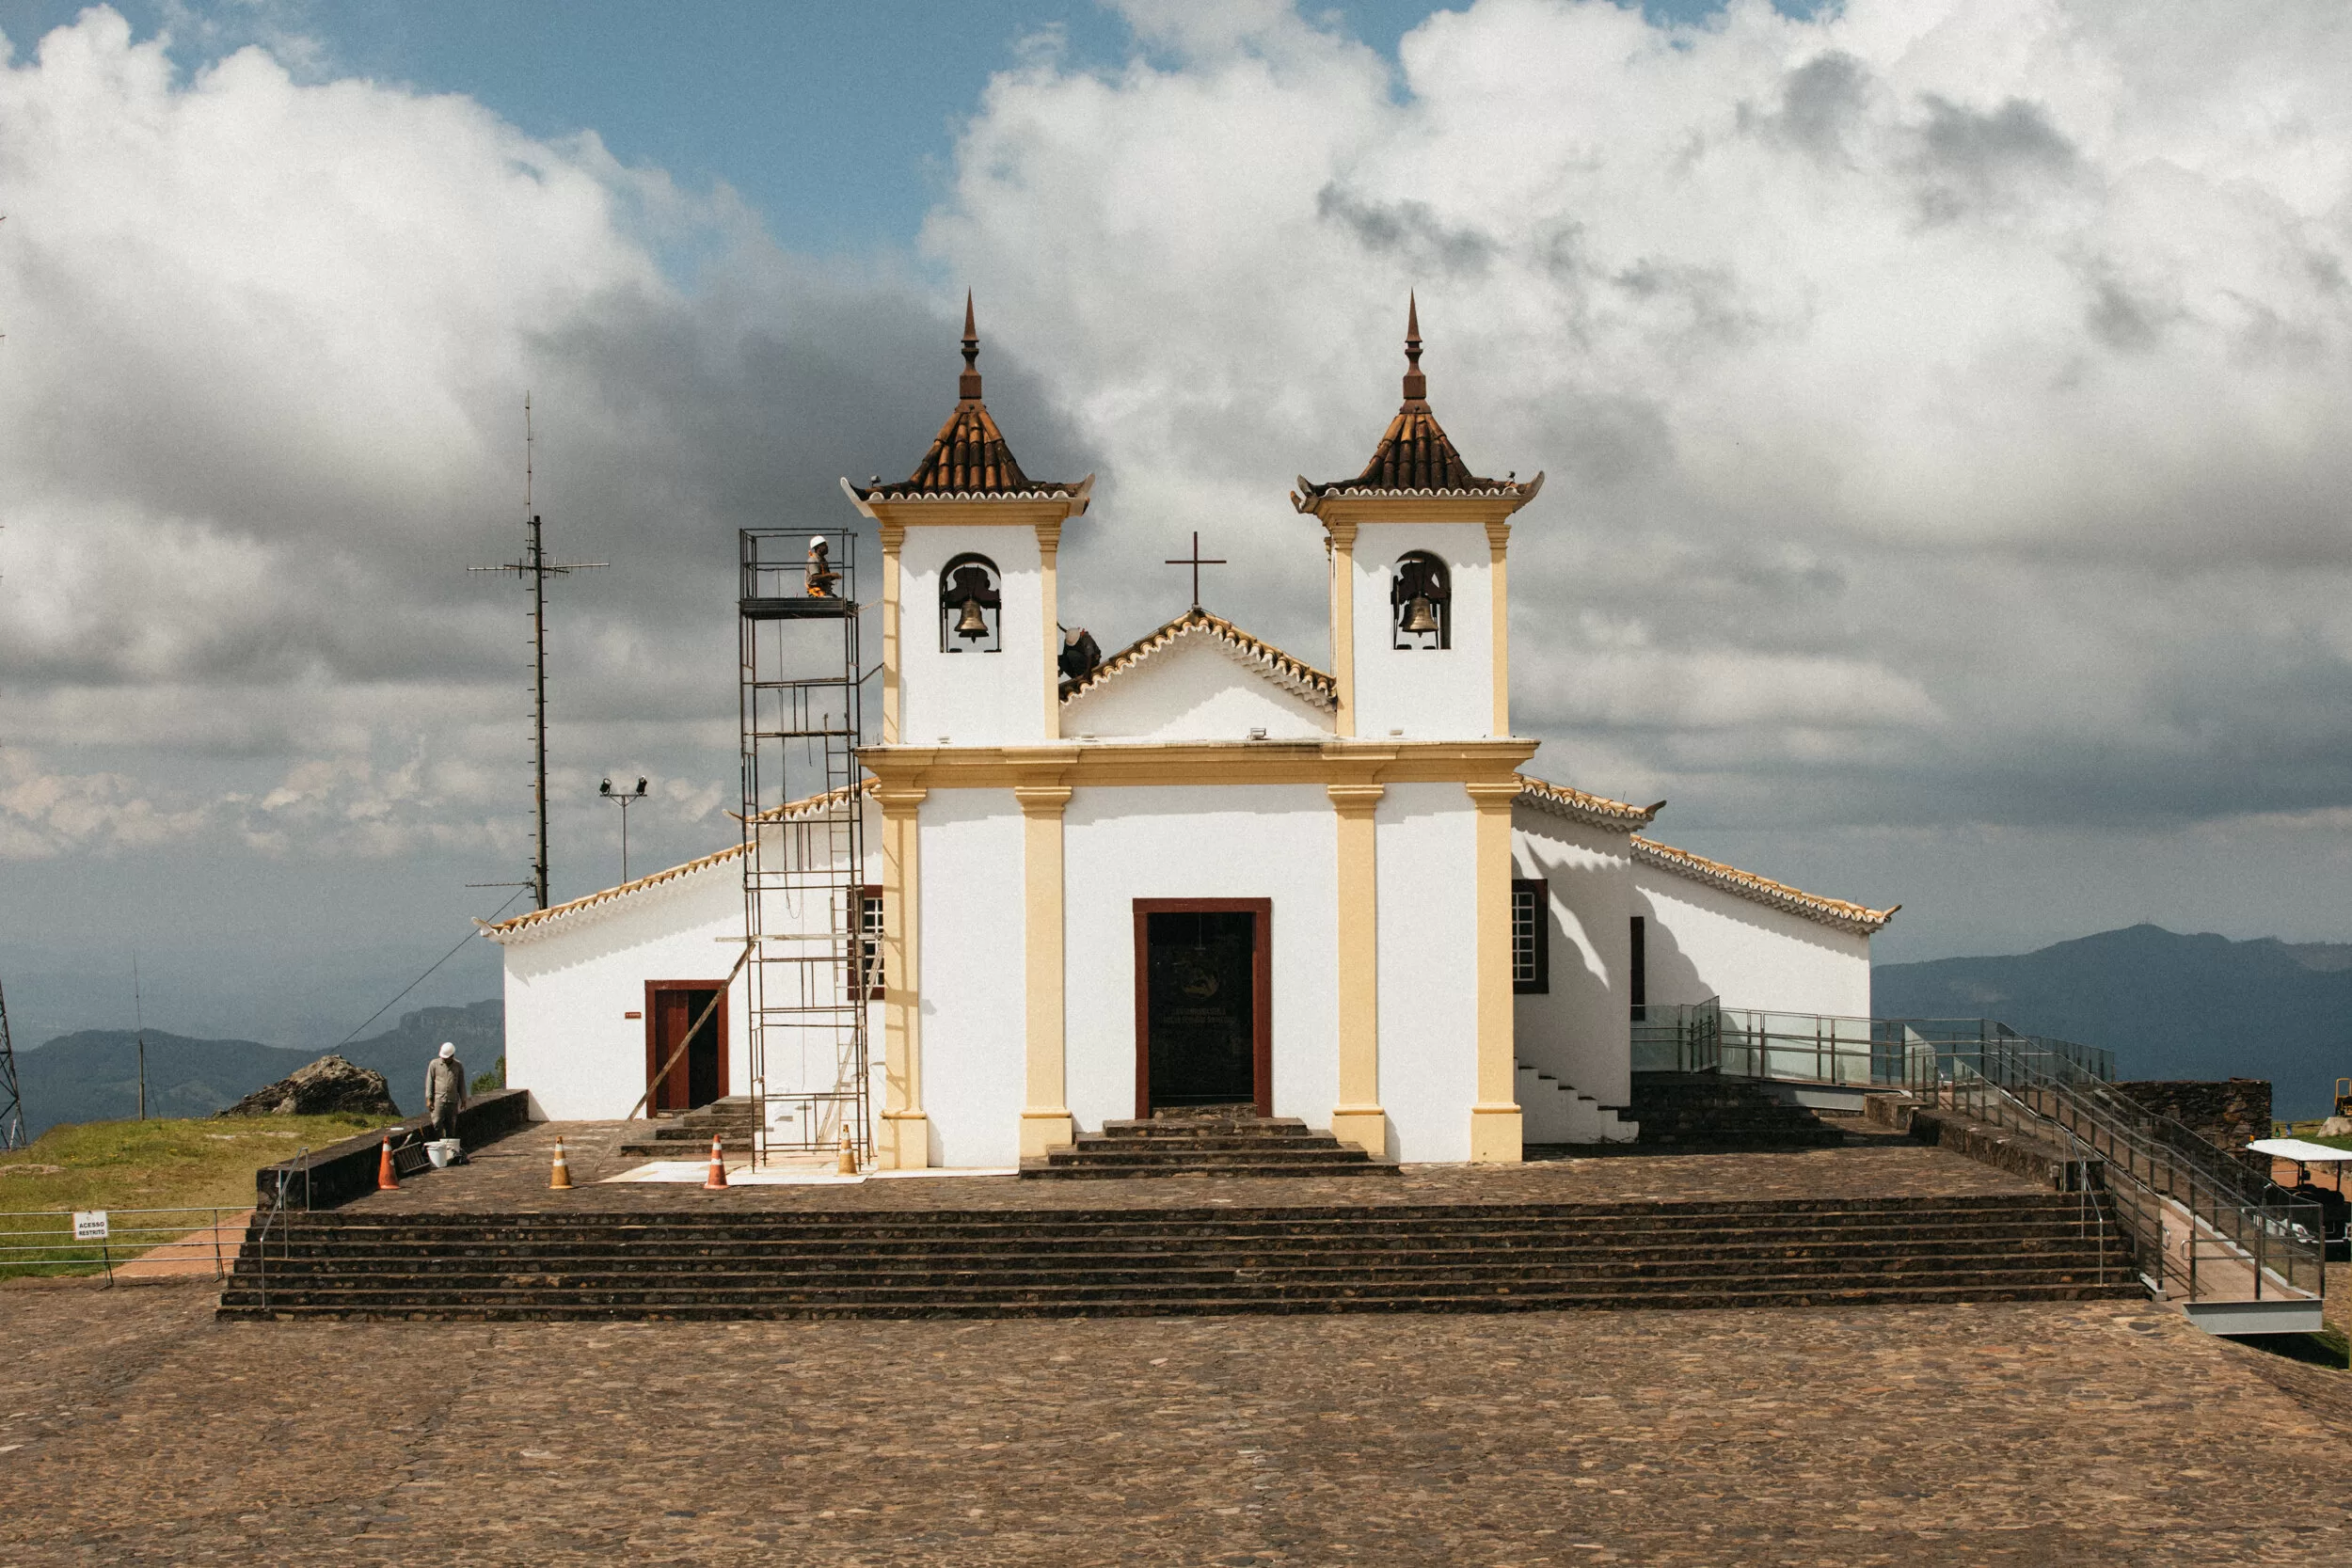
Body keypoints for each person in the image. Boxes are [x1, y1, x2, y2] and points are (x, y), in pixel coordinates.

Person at [425, 1041, 467, 1143]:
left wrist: (463, 1099)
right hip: (438, 1099)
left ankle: (449, 1149)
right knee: (437, 1122)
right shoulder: (434, 1064)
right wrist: (429, 1099)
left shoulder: (458, 1066)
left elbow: (461, 1084)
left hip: (452, 1100)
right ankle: (439, 1144)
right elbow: (429, 1082)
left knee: (451, 1125)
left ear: (452, 1056)